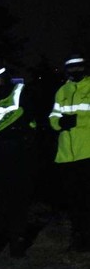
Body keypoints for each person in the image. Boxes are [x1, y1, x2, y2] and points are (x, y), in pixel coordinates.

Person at [0, 58, 38, 260]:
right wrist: (15, 124)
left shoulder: (22, 92)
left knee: (18, 203)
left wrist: (12, 129)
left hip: (19, 159)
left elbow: (30, 119)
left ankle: (17, 245)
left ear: (4, 77)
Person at [49, 53, 90, 251]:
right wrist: (59, 123)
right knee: (74, 201)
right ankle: (78, 237)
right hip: (66, 155)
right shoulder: (61, 91)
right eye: (71, 67)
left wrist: (76, 120)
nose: (75, 70)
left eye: (78, 66)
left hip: (87, 152)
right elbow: (53, 117)